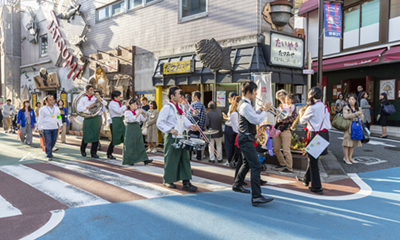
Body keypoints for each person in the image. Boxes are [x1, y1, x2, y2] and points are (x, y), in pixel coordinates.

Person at [233, 80, 274, 206]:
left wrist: (260, 110)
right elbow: (256, 120)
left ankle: (237, 184)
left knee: (246, 163)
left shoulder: (245, 104)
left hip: (245, 138)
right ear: (249, 92)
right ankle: (256, 196)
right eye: (255, 91)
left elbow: (251, 116)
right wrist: (265, 111)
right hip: (246, 139)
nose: (256, 93)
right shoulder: (245, 105)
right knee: (255, 166)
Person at [156, 86, 199, 192]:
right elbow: (159, 122)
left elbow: (183, 120)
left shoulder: (180, 107)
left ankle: (186, 182)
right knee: (171, 159)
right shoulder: (167, 107)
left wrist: (191, 126)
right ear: (172, 96)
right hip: (172, 137)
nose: (181, 95)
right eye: (179, 94)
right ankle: (168, 180)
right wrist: (170, 130)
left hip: (182, 136)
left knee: (185, 159)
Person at [296, 87, 331, 195]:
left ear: (311, 95)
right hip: (324, 134)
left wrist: (301, 112)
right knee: (313, 158)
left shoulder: (312, 108)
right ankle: (306, 179)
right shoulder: (325, 107)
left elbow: (302, 121)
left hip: (315, 134)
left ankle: (317, 186)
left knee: (313, 161)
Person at [77, 85, 108, 158]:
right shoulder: (83, 99)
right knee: (87, 134)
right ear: (86, 91)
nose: (92, 91)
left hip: (96, 117)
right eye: (90, 90)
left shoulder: (96, 98)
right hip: (87, 117)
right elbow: (79, 108)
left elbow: (105, 103)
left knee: (96, 135)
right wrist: (88, 107)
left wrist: (100, 98)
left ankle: (93, 152)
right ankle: (83, 150)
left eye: (92, 90)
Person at [122, 98, 152, 166]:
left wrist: (144, 114)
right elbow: (130, 120)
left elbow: (143, 119)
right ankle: (130, 160)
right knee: (130, 144)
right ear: (129, 105)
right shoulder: (127, 112)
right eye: (133, 104)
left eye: (135, 104)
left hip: (137, 127)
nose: (135, 105)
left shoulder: (136, 111)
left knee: (140, 143)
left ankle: (145, 159)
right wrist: (138, 113)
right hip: (130, 128)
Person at [273, 94, 298, 174]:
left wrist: (282, 120)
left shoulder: (292, 107)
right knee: (275, 148)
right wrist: (278, 119)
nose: (282, 97)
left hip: (286, 130)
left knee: (286, 150)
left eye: (283, 95)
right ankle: (282, 164)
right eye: (279, 95)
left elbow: (293, 118)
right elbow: (277, 117)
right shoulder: (280, 107)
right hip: (278, 130)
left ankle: (289, 168)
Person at [38, 95, 62, 161]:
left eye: (53, 100)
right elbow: (40, 119)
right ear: (46, 101)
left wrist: (61, 124)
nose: (52, 101)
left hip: (55, 127)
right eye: (50, 100)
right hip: (46, 128)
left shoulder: (56, 108)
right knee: (48, 141)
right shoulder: (43, 109)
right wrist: (39, 128)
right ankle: (49, 154)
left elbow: (59, 116)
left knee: (53, 141)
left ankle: (49, 150)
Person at [342, 94, 364, 164]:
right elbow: (345, 116)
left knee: (353, 142)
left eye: (353, 99)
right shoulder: (346, 108)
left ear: (355, 100)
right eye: (350, 99)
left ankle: (350, 157)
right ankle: (346, 158)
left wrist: (356, 117)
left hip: (356, 126)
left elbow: (362, 117)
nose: (351, 101)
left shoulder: (358, 108)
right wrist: (356, 114)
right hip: (348, 127)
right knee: (346, 142)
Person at [107, 90, 127, 160]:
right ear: (115, 97)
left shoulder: (118, 103)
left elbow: (121, 111)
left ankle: (126, 153)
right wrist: (125, 106)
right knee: (114, 139)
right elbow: (118, 111)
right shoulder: (112, 103)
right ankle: (109, 153)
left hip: (120, 121)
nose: (120, 97)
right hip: (114, 122)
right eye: (119, 96)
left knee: (125, 137)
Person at [223, 92, 238, 166]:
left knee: (229, 145)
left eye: (229, 97)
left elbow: (232, 118)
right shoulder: (239, 106)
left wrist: (226, 118)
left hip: (230, 127)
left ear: (233, 98)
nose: (228, 99)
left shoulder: (231, 106)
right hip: (236, 128)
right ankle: (235, 160)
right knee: (235, 145)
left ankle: (229, 160)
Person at [191, 91, 206, 160]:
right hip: (200, 127)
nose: (192, 97)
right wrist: (202, 126)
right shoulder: (203, 106)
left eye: (193, 96)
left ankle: (190, 157)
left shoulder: (193, 105)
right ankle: (199, 156)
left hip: (193, 127)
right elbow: (204, 118)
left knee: (191, 141)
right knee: (199, 142)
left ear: (196, 97)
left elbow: (190, 116)